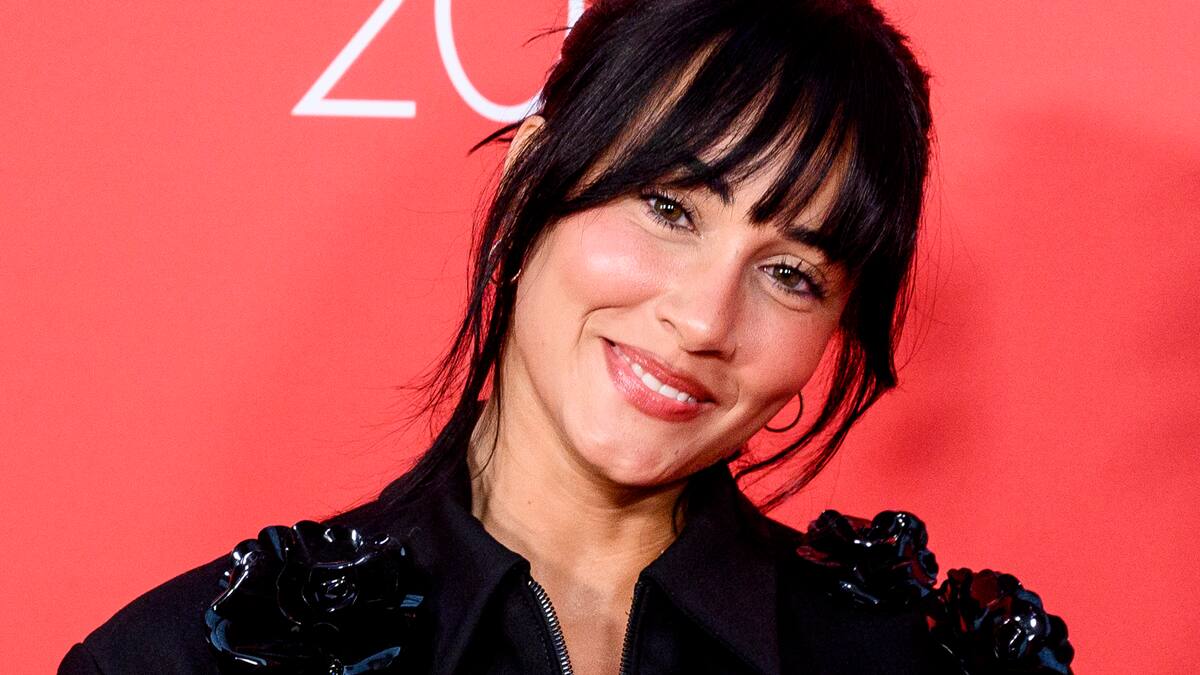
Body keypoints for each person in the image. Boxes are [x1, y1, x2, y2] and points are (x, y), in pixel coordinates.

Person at [60, 0, 1074, 673]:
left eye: (790, 274)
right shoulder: (188, 659)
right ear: (531, 174)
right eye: (669, 209)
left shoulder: (901, 658)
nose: (703, 321)